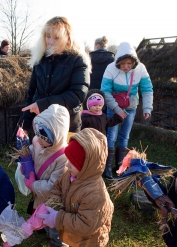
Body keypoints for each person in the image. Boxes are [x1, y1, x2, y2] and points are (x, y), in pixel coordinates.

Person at [38, 128, 114, 246]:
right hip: (74, 236)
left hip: (88, 241)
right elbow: (58, 186)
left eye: (72, 163)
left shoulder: (95, 194)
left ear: (85, 166)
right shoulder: (70, 175)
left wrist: (58, 218)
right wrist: (55, 201)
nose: (67, 165)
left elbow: (85, 225)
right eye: (67, 160)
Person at [21, 16, 90, 134]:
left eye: (56, 38)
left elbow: (77, 95)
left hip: (67, 126)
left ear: (68, 39)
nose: (50, 41)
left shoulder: (78, 60)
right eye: (48, 36)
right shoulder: (40, 59)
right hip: (42, 124)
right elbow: (32, 92)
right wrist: (26, 122)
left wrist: (44, 105)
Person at [21, 104, 70, 247]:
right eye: (38, 134)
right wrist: (25, 161)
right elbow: (33, 153)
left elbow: (53, 186)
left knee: (53, 222)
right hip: (39, 194)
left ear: (58, 134)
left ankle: (56, 241)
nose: (39, 140)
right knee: (40, 214)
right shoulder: (38, 142)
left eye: (45, 137)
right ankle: (43, 228)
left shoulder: (63, 158)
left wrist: (33, 185)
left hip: (52, 199)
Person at [101, 42, 153, 172]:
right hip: (114, 107)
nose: (125, 66)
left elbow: (147, 89)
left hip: (131, 106)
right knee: (111, 136)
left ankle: (119, 167)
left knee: (124, 136)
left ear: (134, 62)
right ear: (118, 62)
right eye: (122, 63)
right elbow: (105, 91)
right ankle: (106, 167)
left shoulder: (140, 68)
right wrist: (117, 109)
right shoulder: (110, 68)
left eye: (129, 64)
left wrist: (147, 108)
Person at [81, 89, 123, 179]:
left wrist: (118, 117)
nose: (98, 107)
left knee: (99, 159)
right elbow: (80, 131)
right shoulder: (84, 117)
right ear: (88, 105)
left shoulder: (102, 116)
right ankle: (86, 173)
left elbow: (110, 122)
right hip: (89, 144)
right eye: (95, 105)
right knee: (88, 159)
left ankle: (97, 174)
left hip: (101, 144)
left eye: (100, 105)